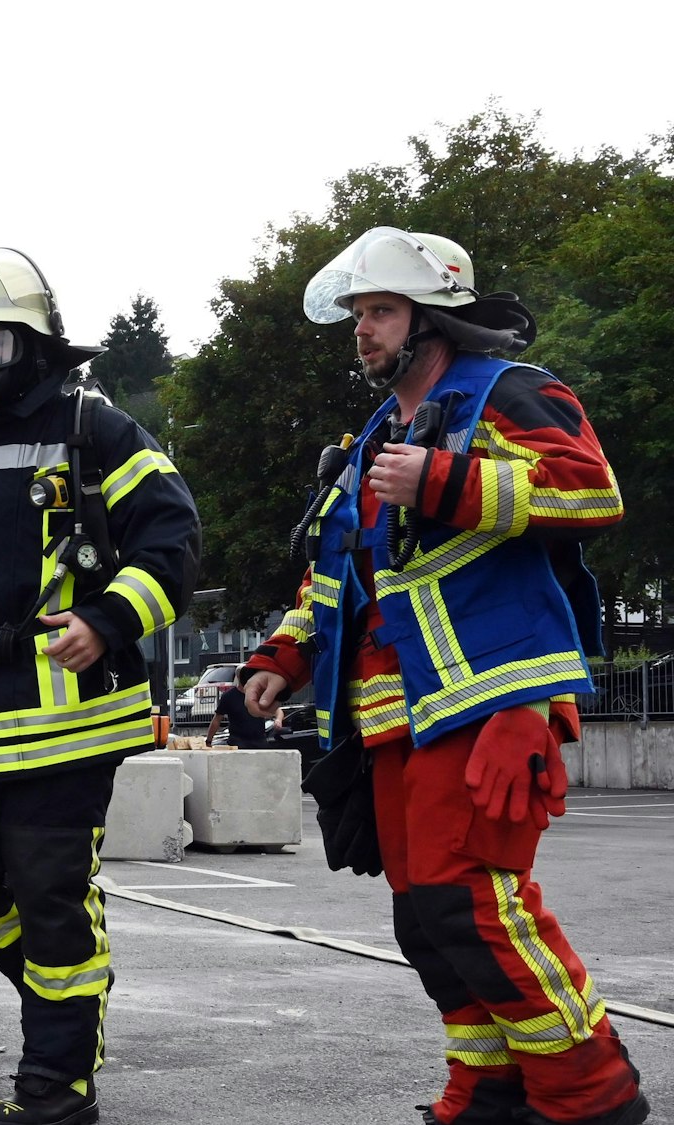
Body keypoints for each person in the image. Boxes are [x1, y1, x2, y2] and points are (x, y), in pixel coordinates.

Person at [241, 227, 644, 1125]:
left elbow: (593, 492)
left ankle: (590, 1096)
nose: (362, 328)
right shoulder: (376, 438)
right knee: (424, 922)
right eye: (357, 313)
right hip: (398, 720)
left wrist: (447, 480)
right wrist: (282, 657)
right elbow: (341, 578)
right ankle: (489, 1089)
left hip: (495, 701)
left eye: (380, 310)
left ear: (433, 320)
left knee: (475, 906)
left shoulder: (507, 392)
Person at [0, 249, 200, 1124]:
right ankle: (68, 1002)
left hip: (69, 726)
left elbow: (174, 538)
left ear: (36, 345)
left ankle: (56, 1083)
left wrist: (111, 619)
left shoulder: (102, 433)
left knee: (51, 894)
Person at [203, 681, 274, 748]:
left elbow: (277, 710)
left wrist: (278, 720)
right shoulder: (229, 696)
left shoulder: (260, 695)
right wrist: (209, 740)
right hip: (238, 742)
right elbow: (217, 719)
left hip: (259, 741)